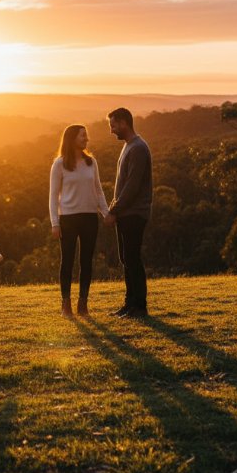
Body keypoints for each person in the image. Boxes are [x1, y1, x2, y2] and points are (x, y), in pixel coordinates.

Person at [49, 124, 110, 317]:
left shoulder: (91, 162)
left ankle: (83, 303)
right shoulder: (59, 164)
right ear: (72, 138)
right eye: (83, 136)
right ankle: (65, 304)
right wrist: (55, 223)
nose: (87, 139)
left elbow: (98, 190)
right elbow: (52, 196)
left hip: (90, 217)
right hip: (67, 218)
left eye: (87, 136)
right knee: (67, 261)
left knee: (86, 262)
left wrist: (106, 213)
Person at [103, 108, 153, 318]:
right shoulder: (129, 147)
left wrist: (113, 210)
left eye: (113, 125)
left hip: (134, 213)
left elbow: (131, 187)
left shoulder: (138, 148)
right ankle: (129, 304)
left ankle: (139, 306)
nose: (112, 130)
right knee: (126, 258)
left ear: (124, 123)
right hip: (126, 213)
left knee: (132, 258)